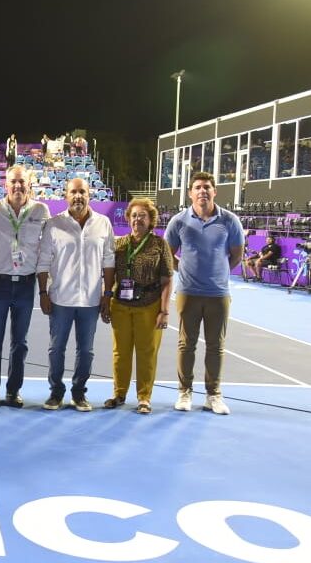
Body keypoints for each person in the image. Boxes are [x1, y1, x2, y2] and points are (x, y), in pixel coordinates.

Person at [163, 171, 245, 415]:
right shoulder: (178, 221)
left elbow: (237, 255)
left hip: (218, 294)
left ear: (214, 191)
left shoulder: (230, 221)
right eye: (197, 187)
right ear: (190, 193)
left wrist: (219, 273)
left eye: (207, 187)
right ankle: (184, 392)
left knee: (215, 346)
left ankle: (213, 395)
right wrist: (184, 270)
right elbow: (168, 254)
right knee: (186, 345)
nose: (202, 191)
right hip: (188, 292)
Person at [37, 177, 116, 412]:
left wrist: (108, 293)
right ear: (66, 196)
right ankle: (56, 393)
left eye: (82, 191)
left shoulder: (103, 224)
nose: (78, 196)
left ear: (89, 195)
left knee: (86, 351)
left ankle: (79, 393)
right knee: (56, 349)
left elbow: (108, 262)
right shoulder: (53, 224)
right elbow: (43, 262)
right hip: (60, 299)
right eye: (73, 192)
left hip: (91, 301)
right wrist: (43, 292)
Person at [0, 166, 51, 408]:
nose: (18, 186)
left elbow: (48, 250)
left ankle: (13, 391)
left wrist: (44, 288)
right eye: (13, 183)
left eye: (22, 182)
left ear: (30, 185)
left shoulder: (41, 210)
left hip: (26, 285)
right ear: (5, 185)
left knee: (20, 342)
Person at [105, 199, 173, 415]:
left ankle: (144, 397)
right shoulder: (120, 244)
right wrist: (106, 300)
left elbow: (167, 279)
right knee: (120, 353)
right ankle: (119, 394)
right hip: (120, 306)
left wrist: (164, 310)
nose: (137, 219)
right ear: (128, 219)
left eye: (142, 215)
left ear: (151, 219)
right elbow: (109, 275)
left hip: (149, 306)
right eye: (134, 215)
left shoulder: (160, 245)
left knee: (146, 353)